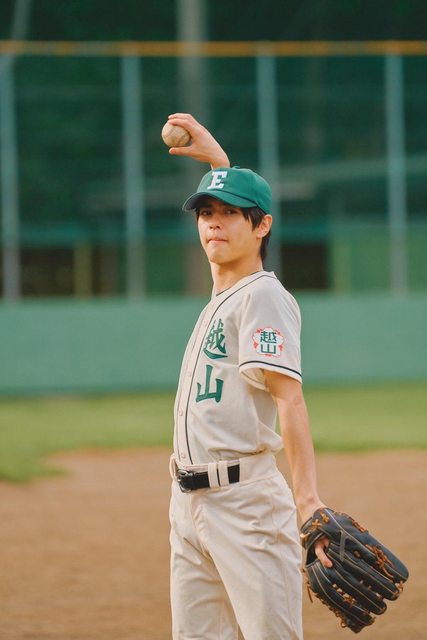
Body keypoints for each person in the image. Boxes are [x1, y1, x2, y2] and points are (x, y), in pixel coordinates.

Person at [166, 113, 331, 640]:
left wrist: (308, 502)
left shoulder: (263, 296)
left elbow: (290, 400)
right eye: (206, 213)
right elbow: (230, 235)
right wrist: (220, 165)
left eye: (231, 214)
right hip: (188, 505)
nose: (214, 223)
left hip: (245, 508)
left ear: (262, 226)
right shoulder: (225, 294)